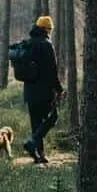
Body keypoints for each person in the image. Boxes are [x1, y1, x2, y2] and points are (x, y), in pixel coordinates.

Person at [22, 15, 64, 165]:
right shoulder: (46, 44)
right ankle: (33, 142)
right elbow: (52, 71)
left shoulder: (27, 43)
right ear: (46, 29)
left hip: (29, 91)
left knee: (36, 123)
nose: (51, 32)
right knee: (53, 117)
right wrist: (59, 89)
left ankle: (39, 155)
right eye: (50, 29)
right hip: (44, 91)